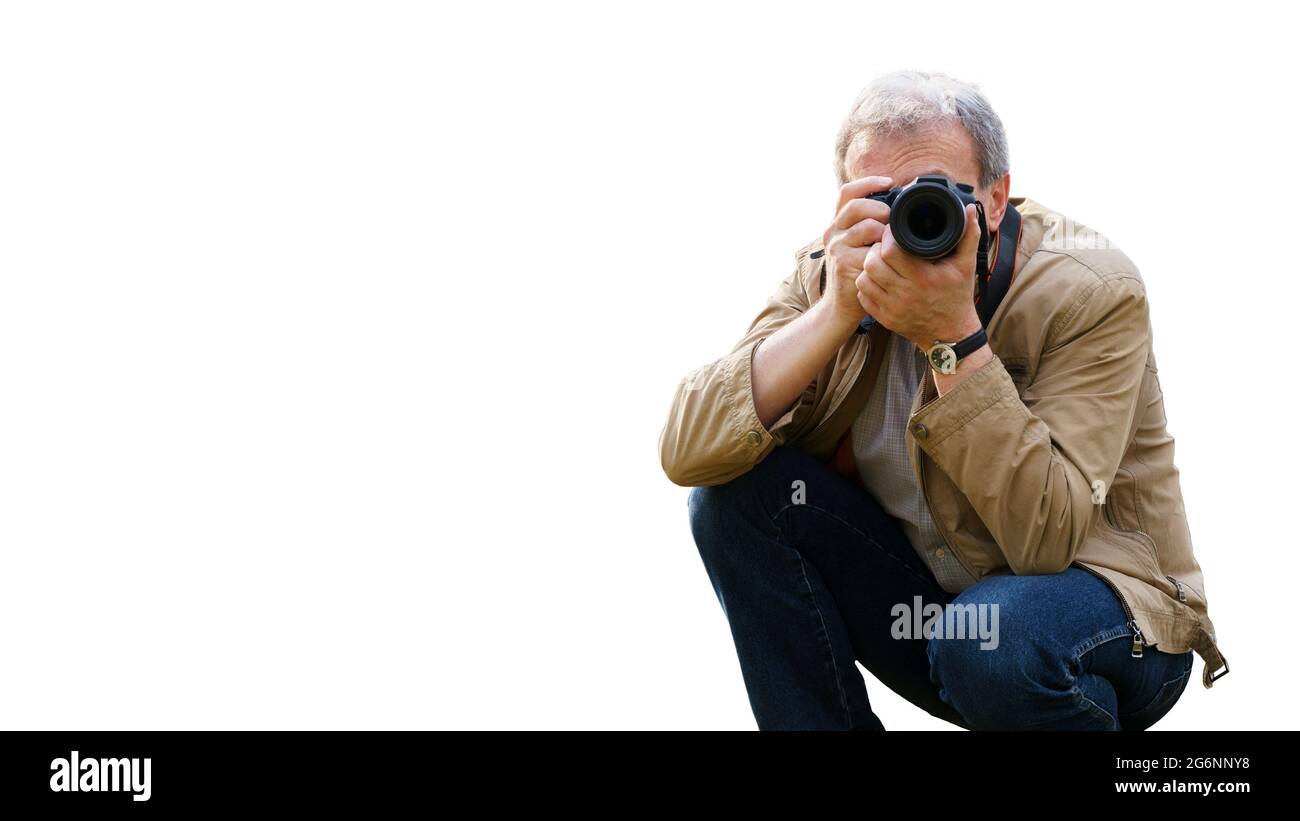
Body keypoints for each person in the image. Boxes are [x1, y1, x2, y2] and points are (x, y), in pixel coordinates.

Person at [658, 70, 1228, 730]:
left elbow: (1044, 545)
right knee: (733, 498)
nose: (907, 224)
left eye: (934, 197)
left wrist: (951, 336)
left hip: (1115, 620)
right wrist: (836, 313)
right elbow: (686, 450)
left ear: (997, 196)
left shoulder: (1090, 288)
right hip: (945, 614)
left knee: (988, 642)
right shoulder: (831, 272)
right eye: (882, 199)